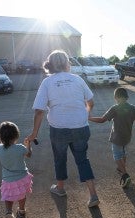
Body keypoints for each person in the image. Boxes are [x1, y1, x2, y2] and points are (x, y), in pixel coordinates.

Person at [27, 50, 99, 208]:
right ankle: (93, 195)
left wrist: (34, 134)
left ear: (50, 64)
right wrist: (86, 114)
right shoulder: (78, 79)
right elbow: (91, 101)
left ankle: (60, 189)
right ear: (67, 63)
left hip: (59, 130)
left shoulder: (47, 82)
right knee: (82, 159)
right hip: (81, 128)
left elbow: (39, 111)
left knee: (60, 159)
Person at [88, 87, 135, 188]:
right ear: (127, 97)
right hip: (127, 137)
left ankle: (125, 175)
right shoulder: (132, 108)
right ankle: (122, 169)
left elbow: (102, 120)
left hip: (116, 138)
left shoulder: (115, 108)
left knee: (117, 156)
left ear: (115, 97)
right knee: (123, 153)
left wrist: (89, 118)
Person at [0, 121, 33, 218]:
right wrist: (28, 144)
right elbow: (28, 155)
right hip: (22, 177)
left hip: (8, 178)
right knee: (22, 195)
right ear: (16, 135)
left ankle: (8, 212)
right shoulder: (20, 148)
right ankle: (21, 211)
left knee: (8, 196)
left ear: (1, 136)